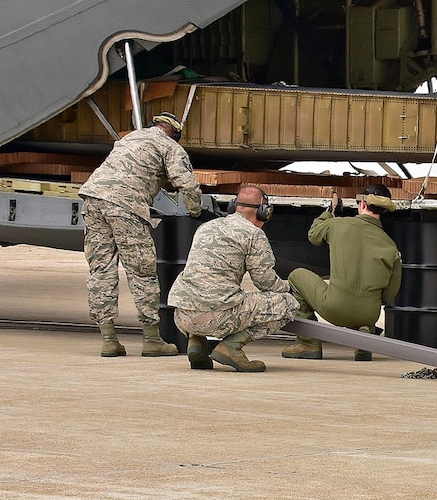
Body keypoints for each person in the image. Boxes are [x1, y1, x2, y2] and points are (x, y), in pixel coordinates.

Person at [79, 111, 203, 357]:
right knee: (142, 272)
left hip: (93, 199)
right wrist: (195, 211)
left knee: (100, 270)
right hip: (126, 205)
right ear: (175, 134)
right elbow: (187, 184)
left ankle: (108, 340)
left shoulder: (129, 138)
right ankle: (152, 340)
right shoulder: (170, 147)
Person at [167, 185, 300, 372]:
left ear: (233, 206)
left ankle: (196, 342)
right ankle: (231, 347)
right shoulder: (254, 234)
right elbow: (265, 282)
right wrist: (288, 288)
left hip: (182, 316)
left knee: (207, 295)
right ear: (264, 211)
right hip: (216, 318)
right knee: (287, 304)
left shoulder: (206, 227)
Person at [284, 184, 402, 362]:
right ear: (384, 211)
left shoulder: (338, 224)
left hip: (335, 309)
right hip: (369, 314)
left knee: (296, 275)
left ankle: (308, 343)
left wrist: (330, 211)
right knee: (367, 306)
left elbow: (314, 235)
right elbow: (390, 294)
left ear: (362, 203)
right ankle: (364, 331)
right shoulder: (391, 245)